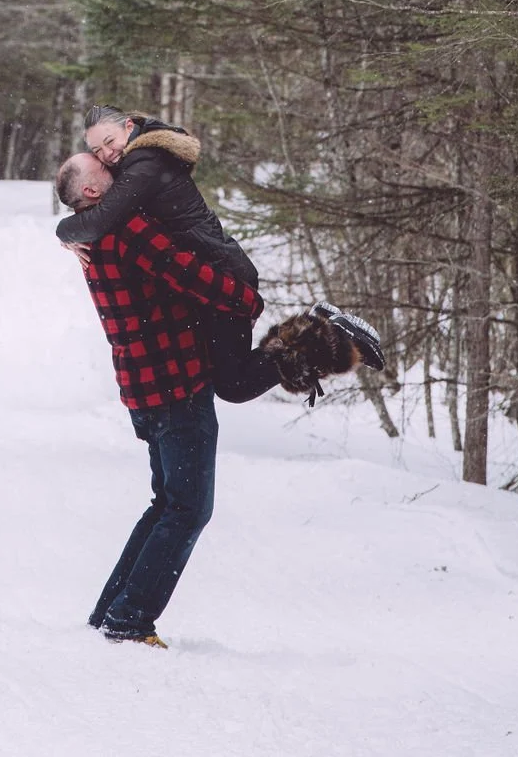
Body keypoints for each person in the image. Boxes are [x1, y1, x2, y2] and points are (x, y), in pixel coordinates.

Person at [55, 149, 377, 649]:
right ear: (94, 194)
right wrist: (246, 300)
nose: (116, 173)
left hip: (146, 386)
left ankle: (111, 614)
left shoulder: (91, 233)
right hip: (173, 386)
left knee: (168, 503)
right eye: (105, 173)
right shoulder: (123, 228)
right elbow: (183, 270)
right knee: (188, 510)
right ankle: (130, 620)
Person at [56, 103, 384, 402]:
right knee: (223, 372)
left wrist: (63, 231)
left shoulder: (145, 164)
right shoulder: (138, 161)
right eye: (97, 150)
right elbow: (102, 213)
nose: (106, 154)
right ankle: (316, 330)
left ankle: (332, 334)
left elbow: (101, 219)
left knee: (233, 384)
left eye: (109, 141)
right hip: (209, 272)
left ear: (129, 126)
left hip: (221, 273)